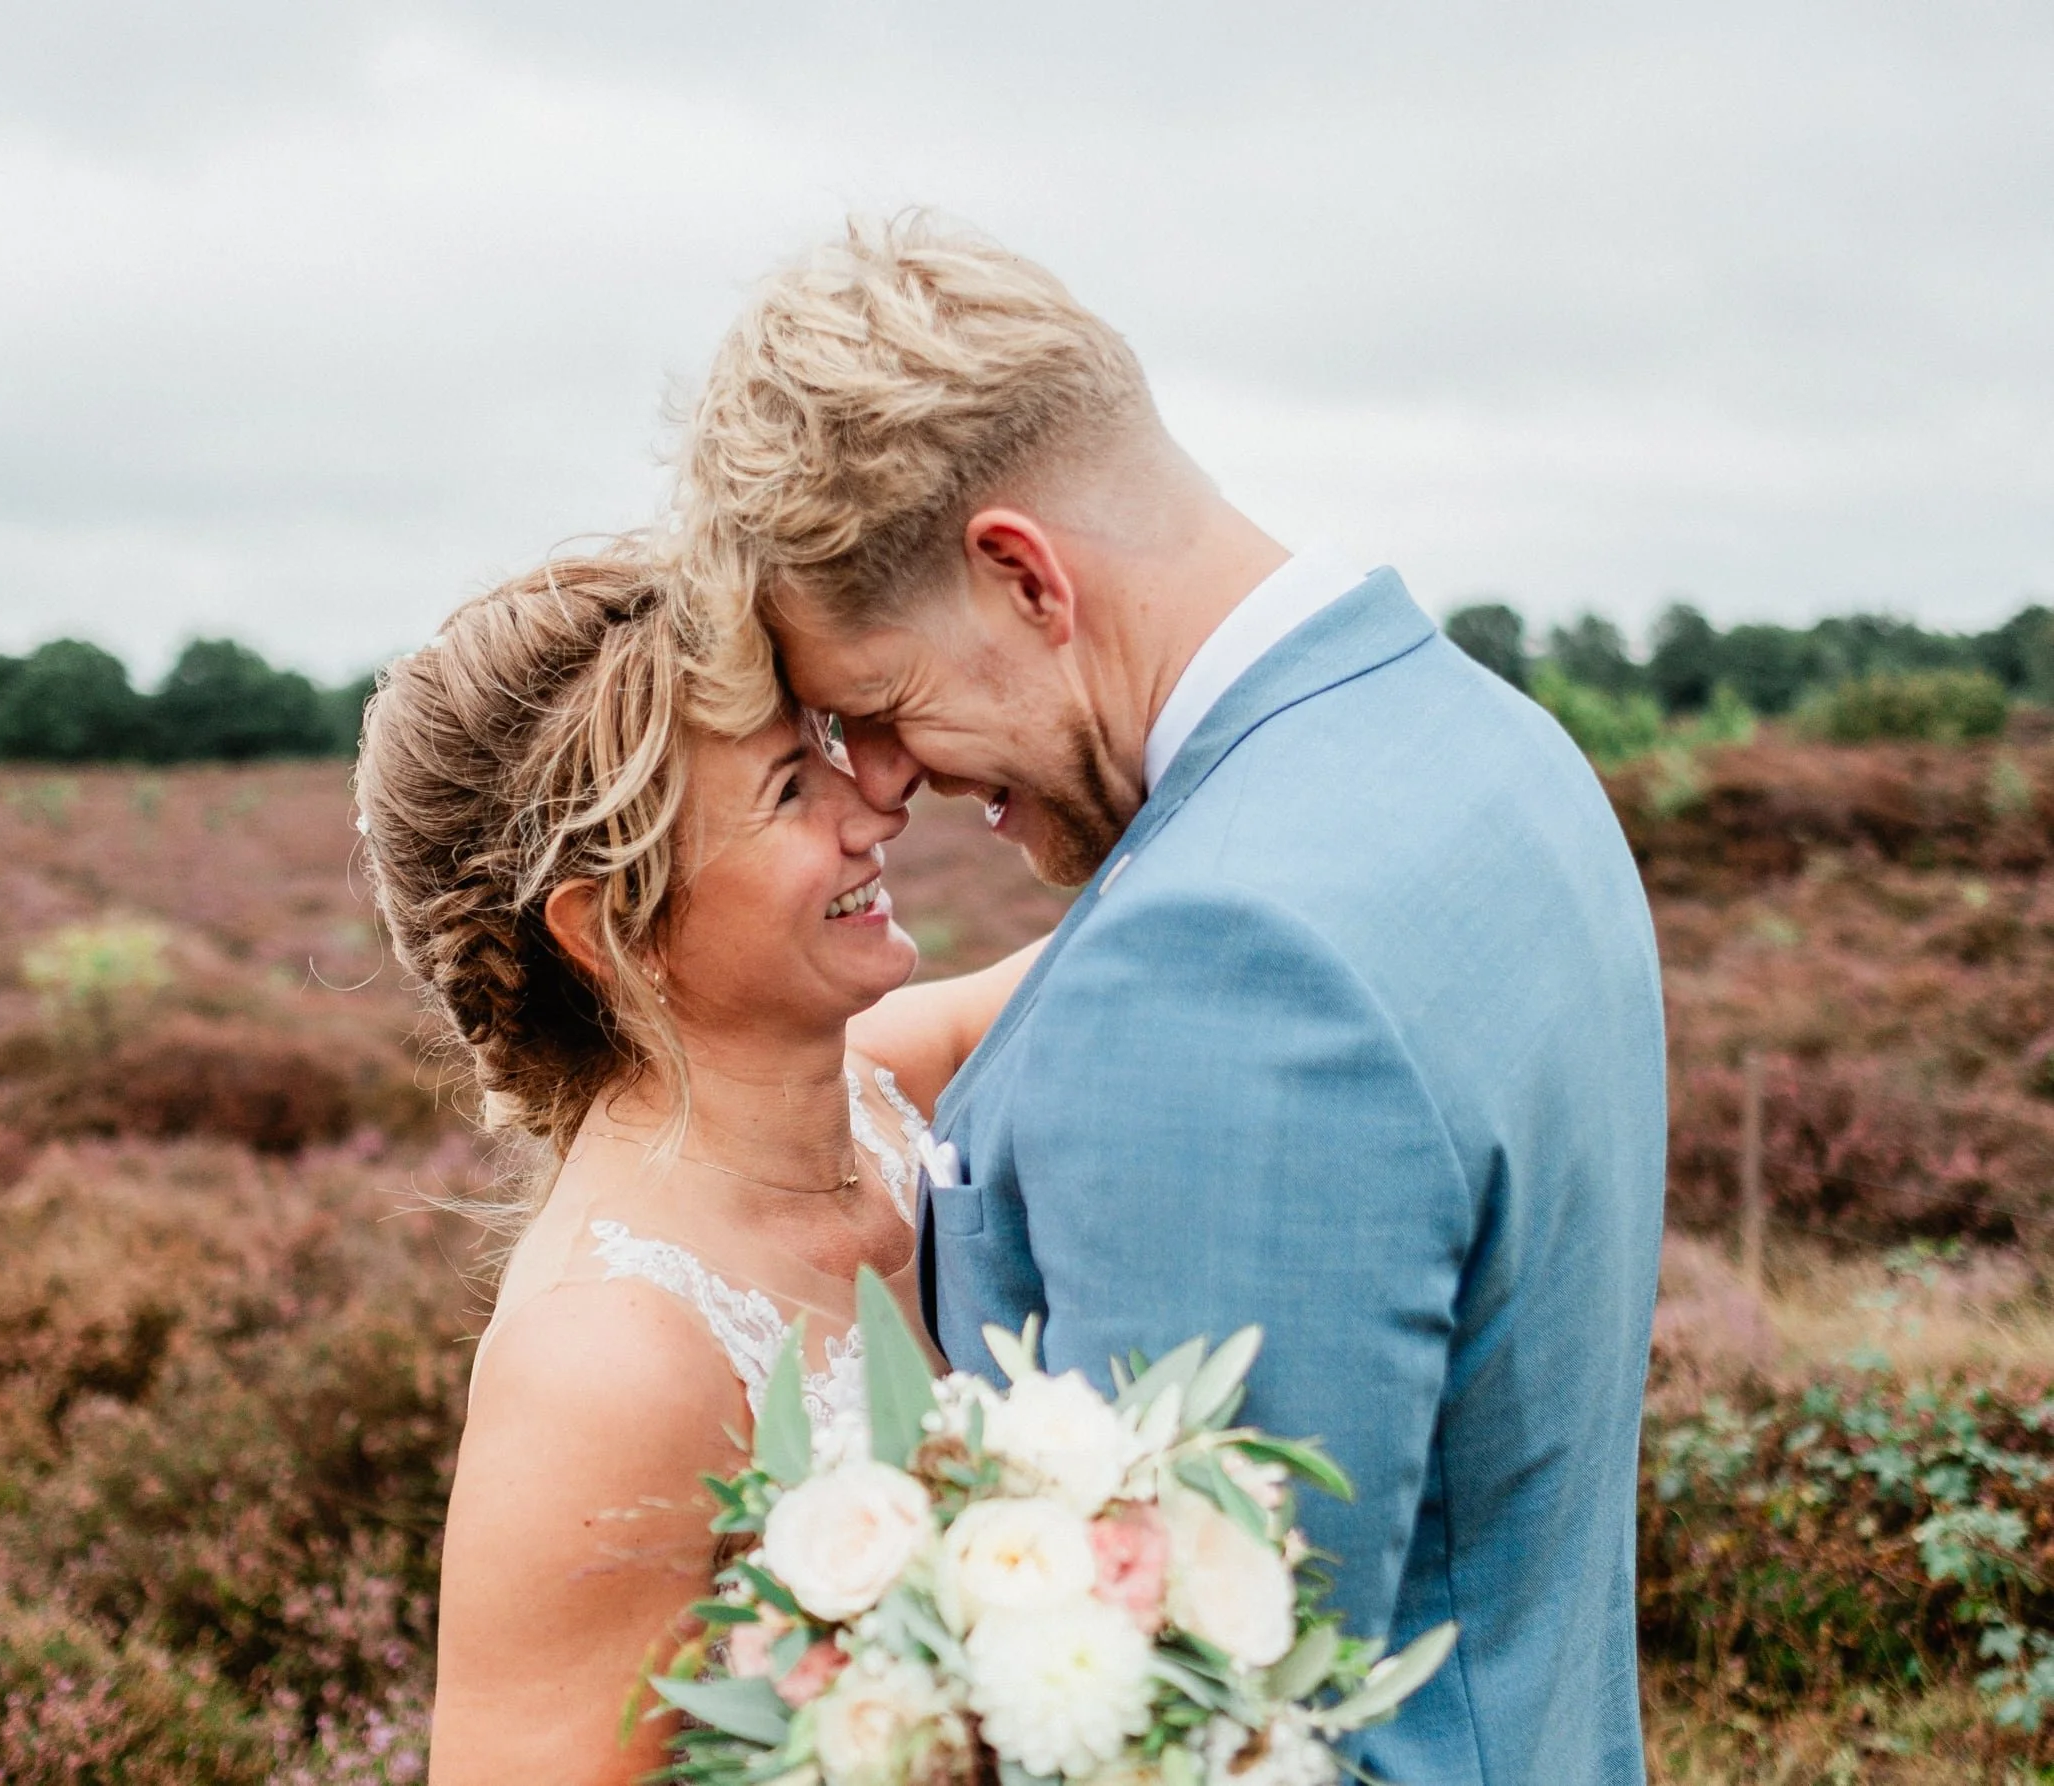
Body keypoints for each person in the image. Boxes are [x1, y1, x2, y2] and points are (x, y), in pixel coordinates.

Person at [671, 215, 1667, 1785]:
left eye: (879, 703)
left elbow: (1190, 1720)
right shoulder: (1488, 746)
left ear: (1021, 575)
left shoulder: (1220, 970)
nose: (890, 782)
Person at [353, 546, 1038, 1786]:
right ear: (611, 924)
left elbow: (1151, 947)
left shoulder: (892, 1080)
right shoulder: (603, 1364)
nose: (873, 807)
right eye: (790, 787)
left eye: (829, 744)